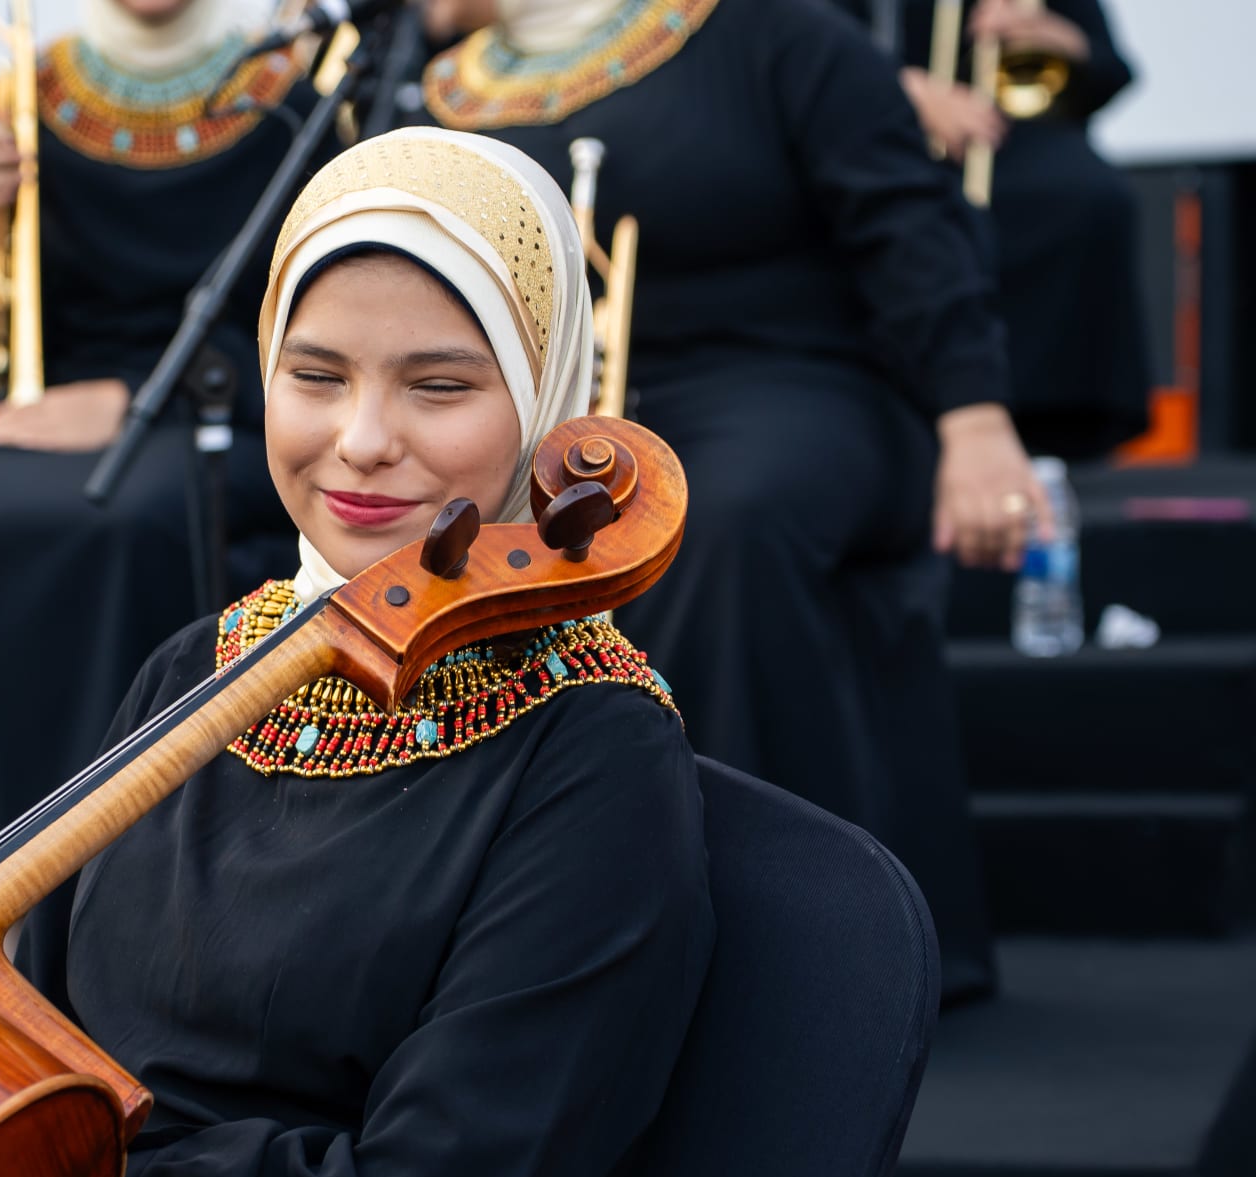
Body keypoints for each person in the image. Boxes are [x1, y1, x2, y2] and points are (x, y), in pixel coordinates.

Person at [19, 127, 714, 1177]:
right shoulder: (201, 668)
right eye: (316, 375)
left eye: (439, 385)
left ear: (545, 395)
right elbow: (12, 1022)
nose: (363, 442)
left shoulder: (597, 758)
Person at [414, 0, 1040, 1001]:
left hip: (798, 387)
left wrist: (975, 418)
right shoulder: (426, 85)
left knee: (715, 517)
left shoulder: (778, 33)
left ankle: (769, 943)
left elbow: (911, 229)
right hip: (562, 419)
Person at [0, 0, 327, 912]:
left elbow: (305, 314)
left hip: (228, 411)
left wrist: (134, 397)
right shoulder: (26, 91)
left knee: (121, 521)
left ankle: (108, 893)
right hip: (74, 414)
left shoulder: (294, 93)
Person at [877, 0, 1150, 458]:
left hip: (1015, 132)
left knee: (1091, 197)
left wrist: (1060, 39)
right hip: (890, 127)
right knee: (921, 213)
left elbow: (1110, 71)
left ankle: (1058, 429)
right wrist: (908, 89)